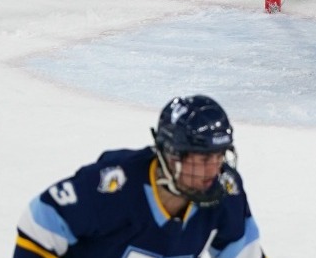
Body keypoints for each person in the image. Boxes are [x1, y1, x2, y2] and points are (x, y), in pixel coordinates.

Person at [13, 95, 265, 258]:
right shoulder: (113, 187)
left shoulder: (225, 191)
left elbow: (244, 252)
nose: (214, 169)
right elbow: (41, 221)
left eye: (219, 156)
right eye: (203, 159)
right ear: (171, 155)